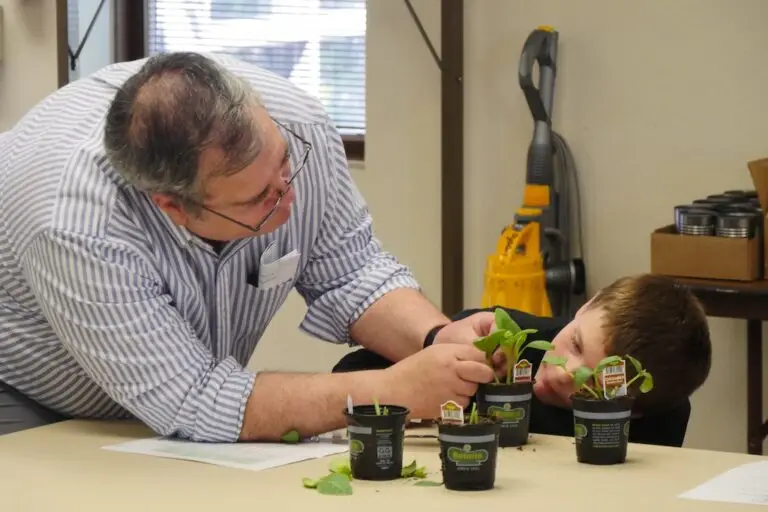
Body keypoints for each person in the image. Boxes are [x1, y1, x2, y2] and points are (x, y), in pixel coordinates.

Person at [0, 52, 500, 440]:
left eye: (284, 165)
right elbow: (193, 400)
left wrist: (436, 339)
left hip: (172, 400)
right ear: (174, 206)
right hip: (29, 386)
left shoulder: (295, 123)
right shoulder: (78, 225)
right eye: (260, 198)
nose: (289, 197)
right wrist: (390, 393)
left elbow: (351, 272)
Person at [334, 273, 713, 447]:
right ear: (586, 306)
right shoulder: (498, 338)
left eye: (595, 384)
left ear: (636, 415)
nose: (566, 373)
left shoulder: (665, 410)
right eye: (577, 345)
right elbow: (349, 373)